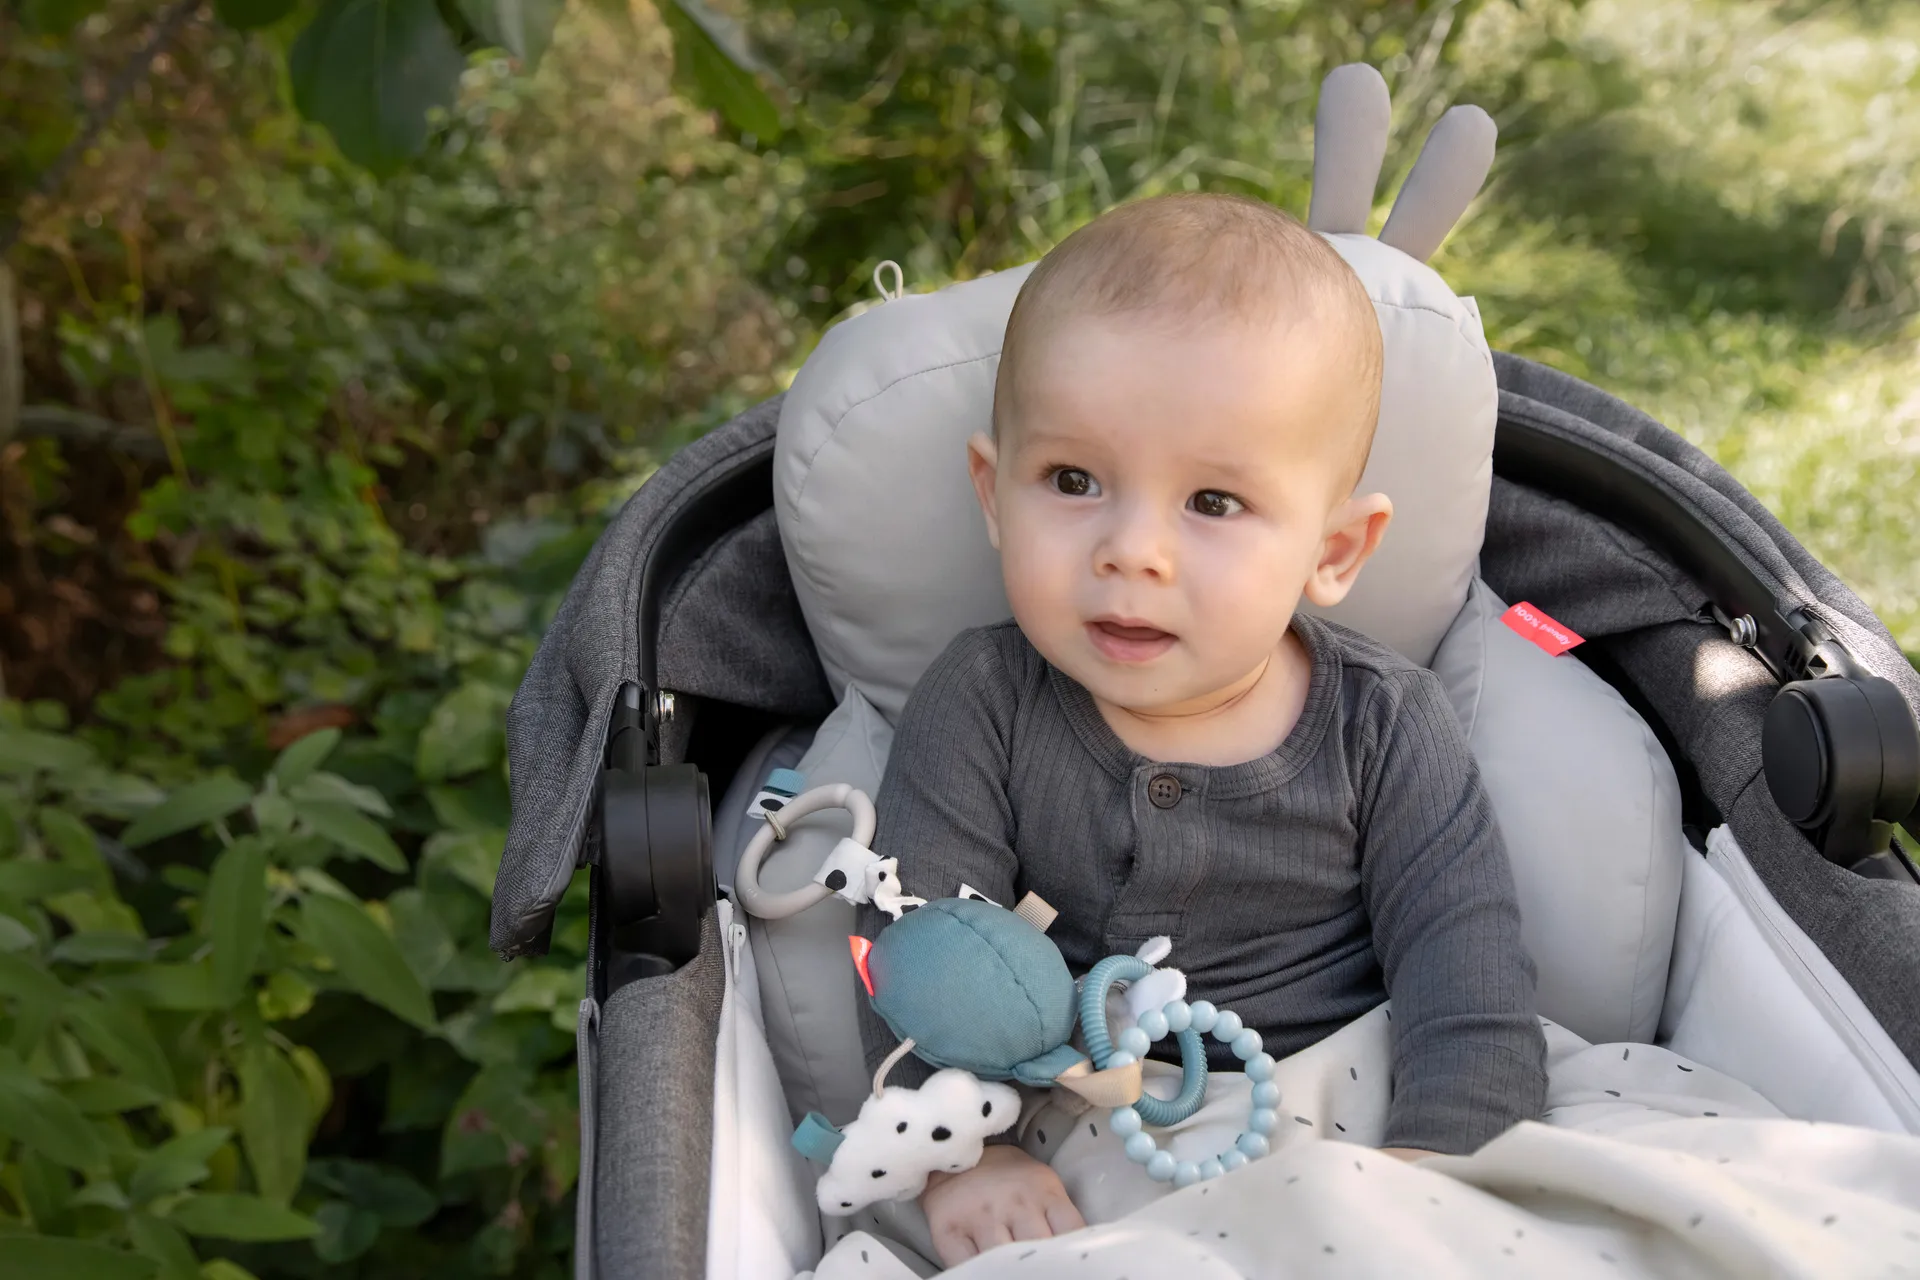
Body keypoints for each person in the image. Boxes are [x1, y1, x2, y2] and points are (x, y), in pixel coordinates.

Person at [854, 192, 1547, 1268]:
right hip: (1078, 1142)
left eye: (1213, 502)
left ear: (1335, 548)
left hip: (1359, 1116)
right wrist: (958, 1157)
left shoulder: (1385, 724)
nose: (1133, 550)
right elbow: (913, 956)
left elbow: (1472, 996)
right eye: (1073, 481)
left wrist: (1438, 1181)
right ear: (995, 494)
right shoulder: (983, 700)